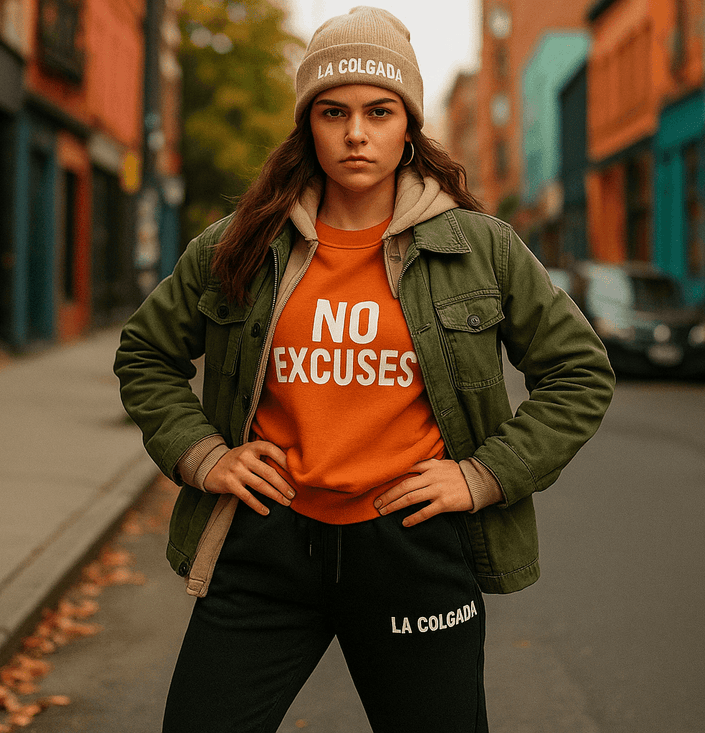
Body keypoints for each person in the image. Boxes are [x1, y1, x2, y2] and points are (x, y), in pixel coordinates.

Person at [115, 7, 614, 732]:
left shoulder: (484, 249)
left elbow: (579, 373)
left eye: (379, 112)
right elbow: (145, 353)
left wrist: (482, 475)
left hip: (412, 547)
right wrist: (204, 456)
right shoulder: (241, 245)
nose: (355, 133)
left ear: (407, 124)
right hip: (267, 543)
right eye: (333, 111)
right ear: (307, 125)